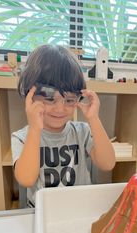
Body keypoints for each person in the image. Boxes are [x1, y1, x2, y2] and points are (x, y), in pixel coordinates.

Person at [11, 44, 116, 207]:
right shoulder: (23, 137)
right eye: (50, 98)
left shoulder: (82, 132)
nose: (60, 109)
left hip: (78, 209)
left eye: (69, 100)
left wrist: (94, 119)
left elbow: (107, 163)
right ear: (30, 96)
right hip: (41, 212)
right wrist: (34, 128)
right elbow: (26, 179)